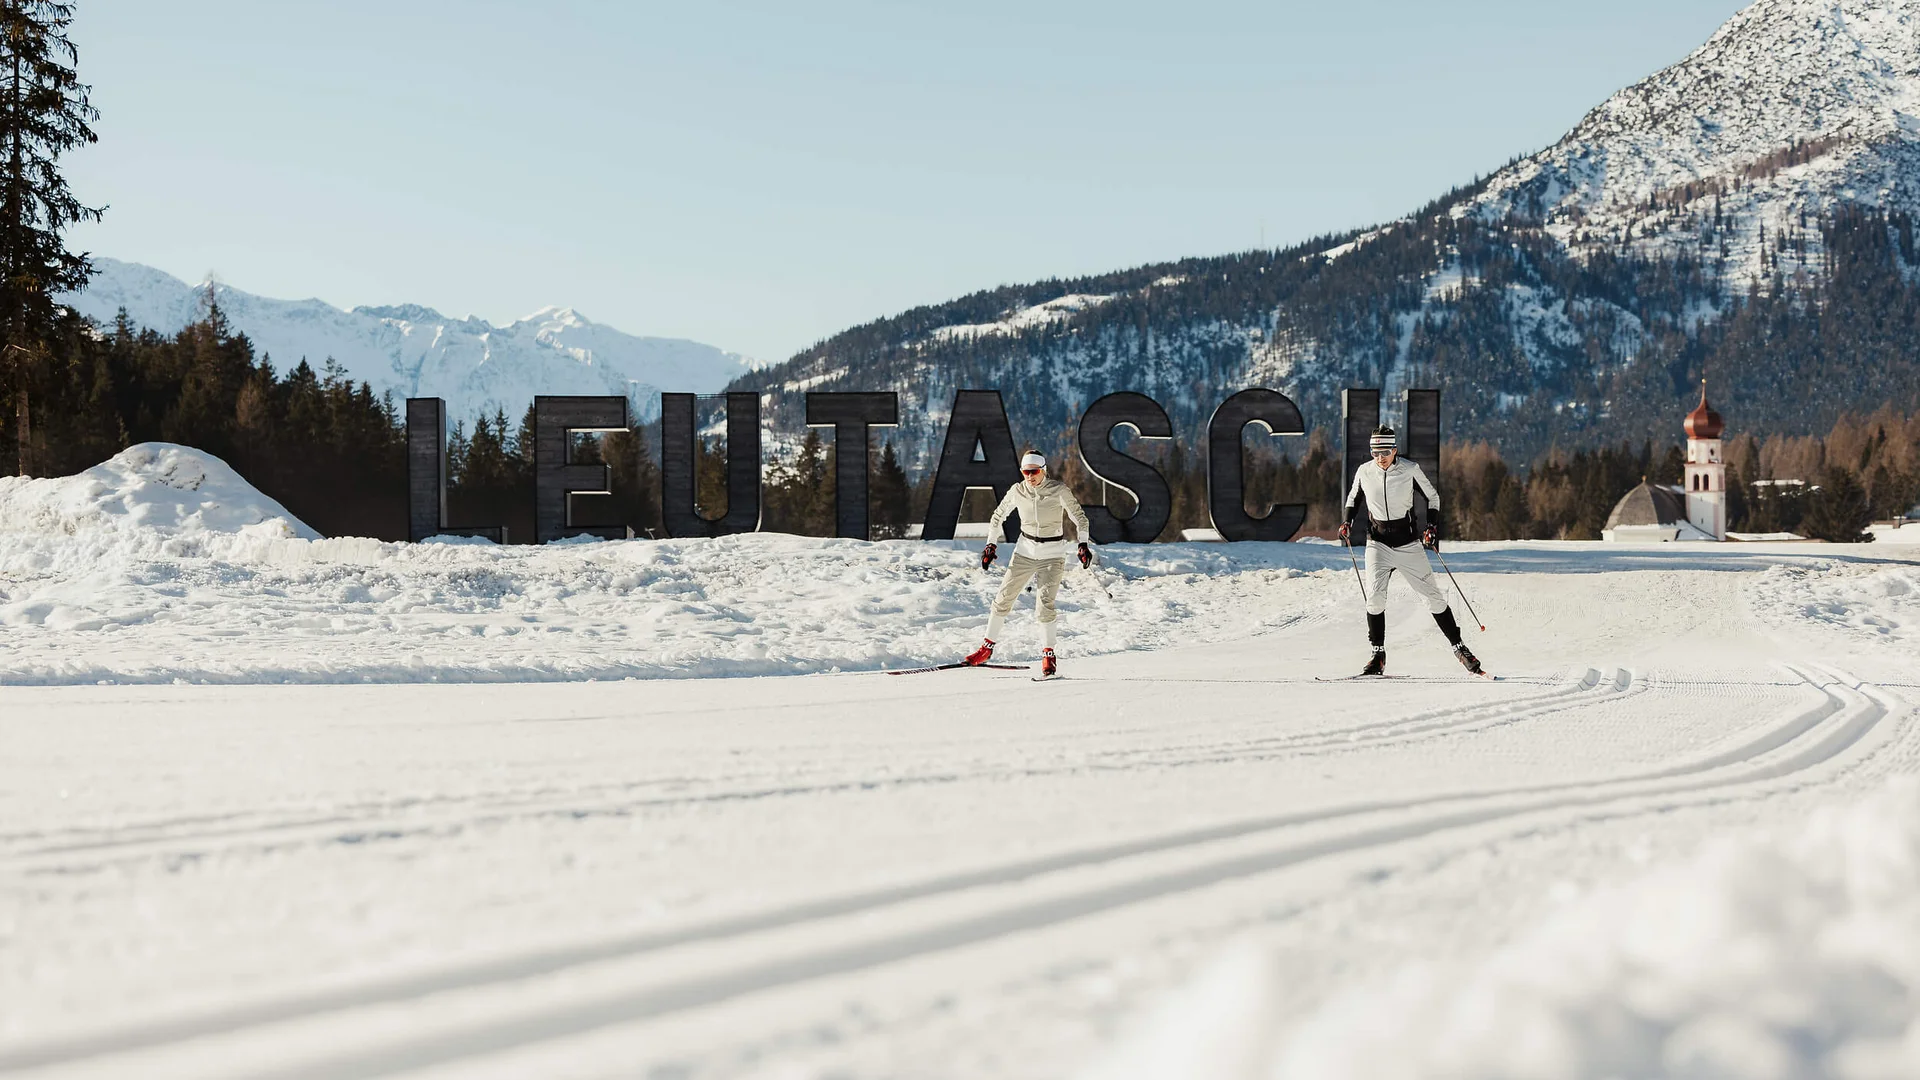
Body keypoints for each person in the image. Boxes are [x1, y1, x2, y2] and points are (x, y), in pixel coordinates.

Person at [1340, 425, 1483, 676]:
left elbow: (1433, 497)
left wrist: (1431, 526)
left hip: (1408, 545)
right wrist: (1347, 521)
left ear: (1394, 449)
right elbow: (1353, 499)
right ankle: (1377, 654)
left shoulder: (1410, 470)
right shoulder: (1365, 471)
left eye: (1385, 451)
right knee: (1375, 598)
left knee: (1433, 598)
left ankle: (1460, 648)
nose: (1380, 457)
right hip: (1378, 543)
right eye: (1375, 451)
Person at [963, 451, 1093, 678]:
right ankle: (986, 648)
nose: (1029, 476)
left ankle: (1048, 655)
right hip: (1024, 552)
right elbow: (998, 516)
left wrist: (1082, 545)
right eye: (1025, 472)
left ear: (1043, 470)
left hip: (1052, 555)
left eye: (1033, 471)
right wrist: (990, 546)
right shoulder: (1018, 491)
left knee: (1044, 605)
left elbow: (1079, 517)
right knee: (1003, 598)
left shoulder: (1058, 490)